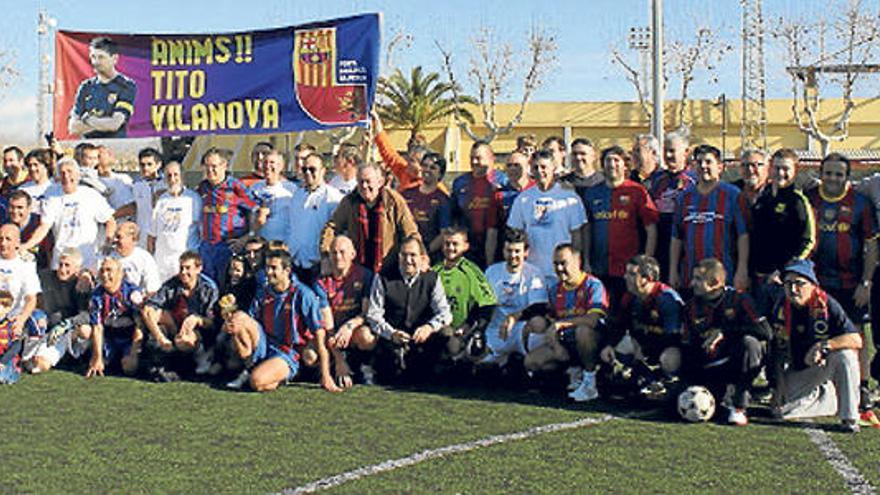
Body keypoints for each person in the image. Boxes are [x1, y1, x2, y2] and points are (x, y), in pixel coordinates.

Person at [806, 152, 878, 420]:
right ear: (820, 174)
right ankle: (817, 389)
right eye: (828, 173)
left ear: (847, 178)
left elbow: (871, 245)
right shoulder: (810, 198)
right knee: (813, 333)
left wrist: (866, 282)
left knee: (856, 335)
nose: (832, 178)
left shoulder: (861, 204)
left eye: (838, 174)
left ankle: (863, 391)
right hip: (817, 284)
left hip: (850, 283)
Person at [769, 259, 863, 433]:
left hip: (823, 365)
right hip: (798, 371)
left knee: (846, 355)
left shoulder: (827, 305)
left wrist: (824, 346)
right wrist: (778, 388)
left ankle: (849, 417)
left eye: (799, 283)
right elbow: (777, 352)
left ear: (813, 285)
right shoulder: (780, 307)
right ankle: (824, 399)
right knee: (783, 413)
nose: (793, 289)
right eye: (788, 283)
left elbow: (856, 339)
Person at [222, 250, 324, 392]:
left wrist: (326, 375)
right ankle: (250, 368)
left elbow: (319, 332)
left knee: (257, 382)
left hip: (287, 351)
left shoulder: (303, 294)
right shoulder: (264, 292)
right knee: (239, 318)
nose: (269, 272)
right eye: (267, 267)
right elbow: (250, 320)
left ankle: (272, 374)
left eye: (273, 268)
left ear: (287, 270)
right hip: (265, 343)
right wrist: (232, 324)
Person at [683, 258, 770, 426]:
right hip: (710, 367)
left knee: (750, 343)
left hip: (737, 363)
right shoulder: (691, 307)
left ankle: (739, 406)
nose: (691, 283)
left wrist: (725, 332)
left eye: (698, 279)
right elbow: (687, 345)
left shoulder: (740, 300)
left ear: (715, 282)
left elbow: (765, 332)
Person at [523, 244, 609, 402]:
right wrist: (556, 344)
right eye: (556, 264)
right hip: (567, 345)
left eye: (564, 263)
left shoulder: (593, 285)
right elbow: (552, 323)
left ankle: (591, 382)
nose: (559, 268)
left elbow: (593, 320)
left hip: (593, 344)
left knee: (582, 331)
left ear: (578, 262)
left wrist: (561, 325)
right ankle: (571, 374)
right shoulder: (555, 290)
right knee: (531, 361)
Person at [366, 236, 453, 381]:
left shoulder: (432, 278)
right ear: (399, 256)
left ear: (422, 258)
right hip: (392, 337)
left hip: (421, 337)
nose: (408, 260)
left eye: (413, 255)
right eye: (404, 255)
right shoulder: (383, 278)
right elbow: (373, 315)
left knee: (446, 333)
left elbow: (445, 313)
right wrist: (391, 333)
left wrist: (429, 327)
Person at [581, 145, 659, 307]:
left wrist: (647, 260)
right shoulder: (592, 193)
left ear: (625, 165)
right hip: (599, 266)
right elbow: (587, 229)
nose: (612, 164)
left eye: (616, 160)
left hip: (628, 268)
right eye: (608, 160)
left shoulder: (637, 191)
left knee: (626, 311)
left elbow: (651, 229)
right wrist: (586, 260)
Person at [600, 255, 684, 398]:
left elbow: (675, 337)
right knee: (613, 351)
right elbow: (620, 325)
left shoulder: (667, 300)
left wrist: (646, 354)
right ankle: (637, 378)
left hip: (666, 347)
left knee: (669, 358)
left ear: (648, 278)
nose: (625, 277)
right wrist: (609, 345)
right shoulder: (630, 297)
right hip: (644, 343)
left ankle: (669, 383)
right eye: (626, 273)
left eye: (632, 274)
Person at [670, 144, 749, 293]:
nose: (703, 166)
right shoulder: (684, 197)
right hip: (690, 275)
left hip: (724, 275)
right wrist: (673, 271)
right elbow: (676, 237)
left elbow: (743, 235)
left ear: (720, 167)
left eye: (708, 162)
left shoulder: (733, 195)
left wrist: (742, 269)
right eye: (699, 162)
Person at [321, 162, 419, 273]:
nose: (364, 186)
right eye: (360, 182)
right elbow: (332, 227)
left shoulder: (394, 201)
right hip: (358, 268)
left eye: (368, 181)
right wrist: (326, 255)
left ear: (380, 182)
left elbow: (410, 232)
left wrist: (420, 256)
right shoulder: (350, 202)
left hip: (388, 268)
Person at [23, 158, 117, 271]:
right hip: (61, 259)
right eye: (62, 173)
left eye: (69, 172)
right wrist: (27, 245)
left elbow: (110, 221)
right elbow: (44, 227)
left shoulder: (91, 195)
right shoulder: (51, 195)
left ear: (78, 175)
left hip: (86, 260)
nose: (66, 176)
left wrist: (107, 243)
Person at [507, 150, 587, 279]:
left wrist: (577, 262)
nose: (539, 171)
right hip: (532, 272)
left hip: (562, 270)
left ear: (553, 168)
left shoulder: (569, 197)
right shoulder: (523, 199)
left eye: (544, 167)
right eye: (535, 167)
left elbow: (577, 234)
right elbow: (515, 233)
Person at [141, 251, 219, 378]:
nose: (183, 272)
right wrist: (161, 338)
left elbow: (213, 323)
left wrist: (197, 320)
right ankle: (163, 353)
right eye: (181, 268)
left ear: (199, 269)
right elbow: (148, 308)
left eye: (188, 268)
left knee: (184, 340)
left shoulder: (209, 288)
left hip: (198, 331)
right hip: (174, 325)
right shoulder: (172, 284)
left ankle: (202, 355)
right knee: (151, 314)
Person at [315, 236, 376, 389]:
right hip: (331, 334)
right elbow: (327, 325)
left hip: (353, 331)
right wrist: (339, 359)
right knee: (310, 356)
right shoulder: (321, 281)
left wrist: (350, 326)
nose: (338, 257)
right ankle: (332, 367)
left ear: (353, 254)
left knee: (366, 337)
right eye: (334, 253)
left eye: (342, 252)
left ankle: (363, 367)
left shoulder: (365, 275)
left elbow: (366, 313)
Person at [750, 148, 816, 290]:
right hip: (758, 277)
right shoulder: (762, 198)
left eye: (786, 169)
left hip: (783, 280)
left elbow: (808, 241)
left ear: (795, 171)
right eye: (776, 168)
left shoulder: (798, 201)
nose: (780, 173)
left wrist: (784, 271)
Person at [482, 229, 549, 368]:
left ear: (526, 252)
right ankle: (501, 360)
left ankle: (525, 362)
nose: (513, 255)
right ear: (503, 251)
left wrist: (514, 317)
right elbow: (482, 306)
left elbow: (539, 307)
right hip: (496, 330)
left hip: (521, 329)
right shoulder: (491, 272)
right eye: (509, 250)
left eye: (517, 251)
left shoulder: (534, 273)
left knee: (539, 323)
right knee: (472, 358)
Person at [431, 227, 497, 362]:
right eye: (447, 243)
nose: (450, 248)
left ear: (465, 246)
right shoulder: (434, 270)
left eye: (455, 244)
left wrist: (470, 326)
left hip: (463, 330)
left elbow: (488, 304)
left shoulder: (471, 271)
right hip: (438, 326)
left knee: (453, 345)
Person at [196, 148, 256, 285]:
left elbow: (256, 210)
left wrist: (246, 237)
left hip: (229, 248)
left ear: (224, 166)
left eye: (214, 166)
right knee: (207, 287)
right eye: (207, 166)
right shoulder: (202, 188)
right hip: (207, 248)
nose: (210, 170)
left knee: (227, 288)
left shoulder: (235, 187)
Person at [29, 248, 91, 374]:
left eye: (67, 265)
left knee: (85, 330)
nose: (62, 269)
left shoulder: (81, 285)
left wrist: (67, 324)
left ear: (77, 269)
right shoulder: (45, 277)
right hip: (46, 326)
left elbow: (86, 315)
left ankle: (63, 357)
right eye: (61, 264)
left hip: (67, 332)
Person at [83, 258, 144, 378]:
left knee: (129, 368)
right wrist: (97, 357)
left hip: (129, 337)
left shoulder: (132, 294)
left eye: (109, 270)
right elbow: (97, 327)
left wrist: (133, 354)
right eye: (102, 271)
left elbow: (140, 326)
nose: (105, 275)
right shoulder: (96, 295)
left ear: (120, 274)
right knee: (101, 365)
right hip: (110, 337)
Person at [288, 153, 343, 282]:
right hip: (295, 262)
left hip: (319, 265)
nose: (307, 173)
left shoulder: (333, 197)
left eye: (312, 169)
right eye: (304, 169)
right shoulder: (297, 195)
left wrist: (328, 258)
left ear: (323, 171)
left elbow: (337, 231)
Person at [451, 141, 507, 267]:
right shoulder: (460, 183)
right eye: (471, 158)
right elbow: (454, 215)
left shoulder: (503, 181)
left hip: (498, 246)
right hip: (468, 248)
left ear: (491, 159)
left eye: (478, 158)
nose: (474, 162)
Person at [67, 36, 136, 138]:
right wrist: (103, 123)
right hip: (88, 148)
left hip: (113, 148)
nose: (96, 62)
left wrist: (87, 119)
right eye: (93, 57)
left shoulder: (126, 85)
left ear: (114, 58)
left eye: (101, 57)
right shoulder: (85, 87)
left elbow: (114, 124)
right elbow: (73, 128)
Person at [649, 131, 695, 281]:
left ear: (686, 152)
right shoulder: (657, 179)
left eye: (672, 151)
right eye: (665, 151)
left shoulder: (694, 179)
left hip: (686, 242)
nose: (668, 155)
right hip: (661, 242)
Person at [149, 161, 202, 283]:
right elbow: (152, 234)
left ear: (182, 176)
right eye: (169, 175)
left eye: (176, 175)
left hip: (185, 261)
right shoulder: (161, 200)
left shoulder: (193, 199)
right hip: (162, 262)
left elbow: (201, 230)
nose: (172, 179)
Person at [401, 153, 451, 260]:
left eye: (433, 168)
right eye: (424, 165)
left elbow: (444, 234)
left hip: (429, 258)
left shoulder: (443, 200)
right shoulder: (405, 194)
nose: (427, 170)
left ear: (440, 174)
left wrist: (424, 253)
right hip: (405, 255)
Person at [372, 111, 435, 191]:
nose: (407, 161)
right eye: (409, 158)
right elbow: (389, 155)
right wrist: (377, 125)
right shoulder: (405, 171)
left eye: (412, 160)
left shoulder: (434, 187)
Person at [0, 225, 41, 339]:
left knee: (39, 319)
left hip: (13, 318)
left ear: (17, 242)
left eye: (8, 239)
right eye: (0, 239)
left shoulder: (26, 265)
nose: (3, 243)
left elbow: (31, 299)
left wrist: (21, 320)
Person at [250, 150, 296, 244]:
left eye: (272, 163)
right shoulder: (255, 188)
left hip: (282, 243)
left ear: (280, 166)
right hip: (259, 243)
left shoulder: (291, 189)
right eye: (265, 162)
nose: (267, 166)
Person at [110, 221, 161, 296]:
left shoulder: (145, 258)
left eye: (119, 237)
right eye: (115, 236)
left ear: (133, 239)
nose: (115, 240)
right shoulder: (108, 256)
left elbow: (152, 288)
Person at [130, 148, 167, 249]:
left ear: (158, 165)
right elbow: (133, 208)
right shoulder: (136, 186)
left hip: (162, 236)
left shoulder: (167, 184)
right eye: (142, 164)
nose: (145, 168)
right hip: (142, 237)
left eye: (149, 164)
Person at [8, 190, 53, 269]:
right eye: (12, 207)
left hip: (39, 271)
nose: (15, 211)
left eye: (20, 207)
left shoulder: (40, 225)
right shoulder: (5, 226)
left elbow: (49, 253)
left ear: (29, 208)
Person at [95, 146, 134, 211]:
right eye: (100, 154)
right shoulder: (94, 182)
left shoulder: (124, 178)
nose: (110, 155)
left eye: (109, 153)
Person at [19, 148, 55, 215]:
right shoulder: (23, 189)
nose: (32, 169)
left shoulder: (55, 187)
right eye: (29, 165)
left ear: (46, 166)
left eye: (36, 164)